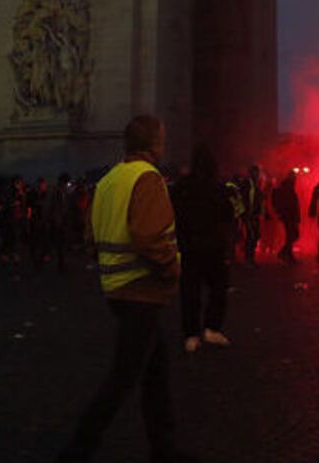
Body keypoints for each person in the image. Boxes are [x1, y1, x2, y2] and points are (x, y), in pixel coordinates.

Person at [56, 115, 193, 463]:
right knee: (123, 378)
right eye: (162, 137)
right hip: (141, 288)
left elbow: (89, 236)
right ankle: (77, 448)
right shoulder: (147, 178)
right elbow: (149, 236)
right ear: (154, 143)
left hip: (116, 286)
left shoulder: (109, 179)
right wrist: (171, 266)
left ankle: (164, 448)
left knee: (155, 372)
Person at [170, 144, 234, 353]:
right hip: (213, 248)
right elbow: (228, 216)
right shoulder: (218, 187)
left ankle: (191, 335)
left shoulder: (182, 187)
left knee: (190, 292)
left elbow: (174, 215)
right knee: (218, 287)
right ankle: (212, 328)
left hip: (188, 248)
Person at [272, 171, 301, 264]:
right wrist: (281, 212)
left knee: (292, 235)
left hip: (289, 215)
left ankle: (285, 253)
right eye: (294, 177)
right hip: (288, 215)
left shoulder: (289, 187)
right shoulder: (286, 188)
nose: (295, 179)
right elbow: (289, 203)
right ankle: (287, 254)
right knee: (292, 235)